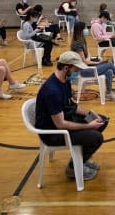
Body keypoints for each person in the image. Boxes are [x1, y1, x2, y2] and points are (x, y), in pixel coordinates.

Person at [35, 51, 109, 181]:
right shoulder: (52, 91)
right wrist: (88, 126)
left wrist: (90, 113)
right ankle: (72, 168)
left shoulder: (64, 80)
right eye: (76, 69)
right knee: (96, 137)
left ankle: (81, 158)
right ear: (66, 68)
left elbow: (72, 106)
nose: (78, 72)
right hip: (54, 133)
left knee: (101, 121)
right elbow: (60, 124)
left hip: (63, 120)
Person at [71, 21, 115, 102]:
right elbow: (84, 62)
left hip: (87, 66)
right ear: (80, 30)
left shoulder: (82, 41)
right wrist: (97, 62)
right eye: (85, 28)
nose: (86, 30)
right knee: (109, 64)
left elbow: (88, 55)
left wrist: (93, 59)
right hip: (83, 71)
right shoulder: (76, 44)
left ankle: (109, 93)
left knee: (109, 71)